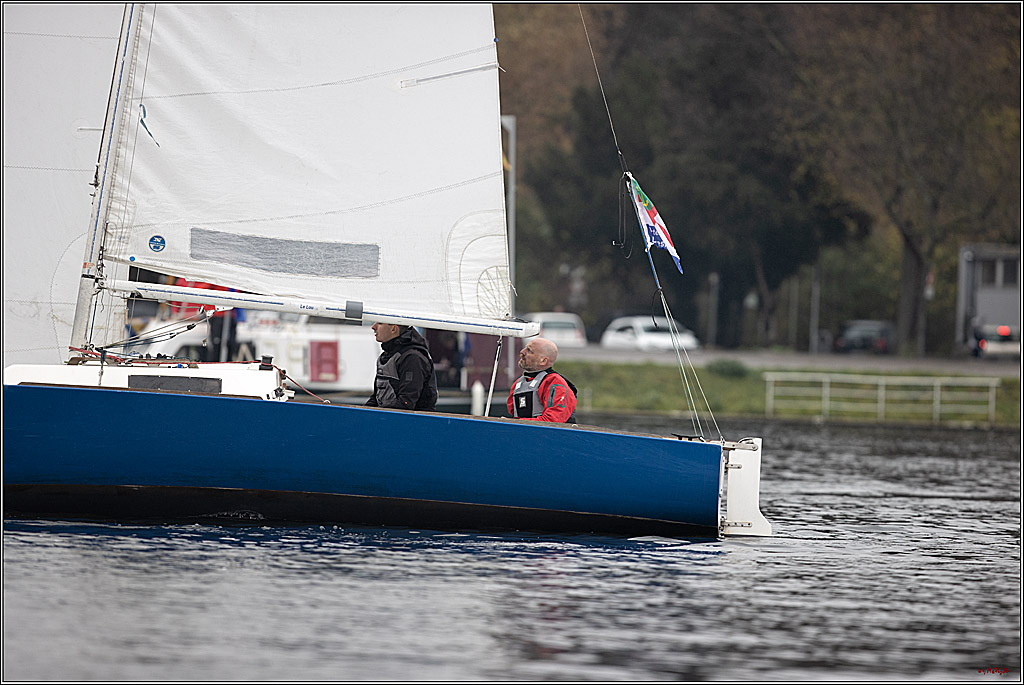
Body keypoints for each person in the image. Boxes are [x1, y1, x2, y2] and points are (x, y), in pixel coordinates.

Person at [365, 322, 438, 411]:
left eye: (380, 323)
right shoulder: (386, 356)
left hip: (412, 422)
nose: (373, 327)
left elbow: (406, 403)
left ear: (394, 329)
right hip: (389, 419)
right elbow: (376, 398)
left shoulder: (412, 358)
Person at [507, 337, 577, 423]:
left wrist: (513, 423)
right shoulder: (518, 384)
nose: (522, 352)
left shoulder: (555, 384)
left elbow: (552, 422)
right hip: (526, 434)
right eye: (525, 347)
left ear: (543, 361)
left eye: (529, 351)